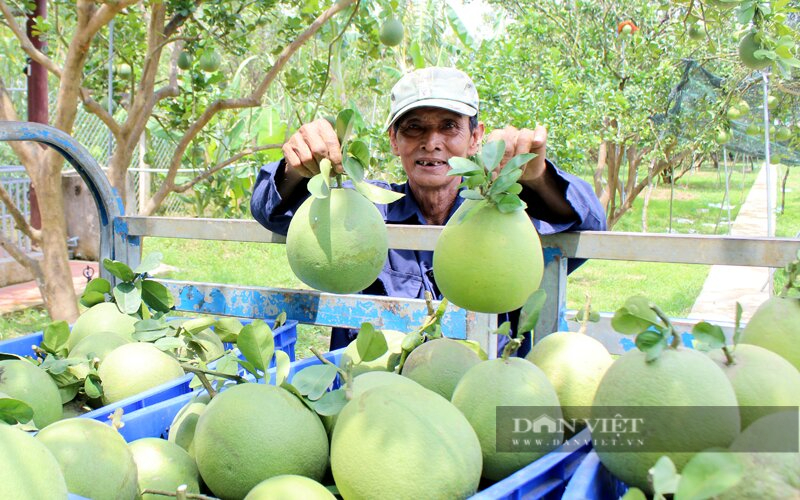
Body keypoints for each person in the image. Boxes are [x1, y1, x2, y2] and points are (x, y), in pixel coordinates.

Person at [251, 66, 606, 356]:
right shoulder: (367, 215)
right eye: (414, 127)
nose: (431, 141)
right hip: (376, 397)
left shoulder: (505, 221)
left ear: (475, 137)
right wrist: (295, 169)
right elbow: (272, 211)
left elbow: (589, 225)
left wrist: (537, 178)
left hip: (483, 396)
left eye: (449, 126)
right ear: (394, 140)